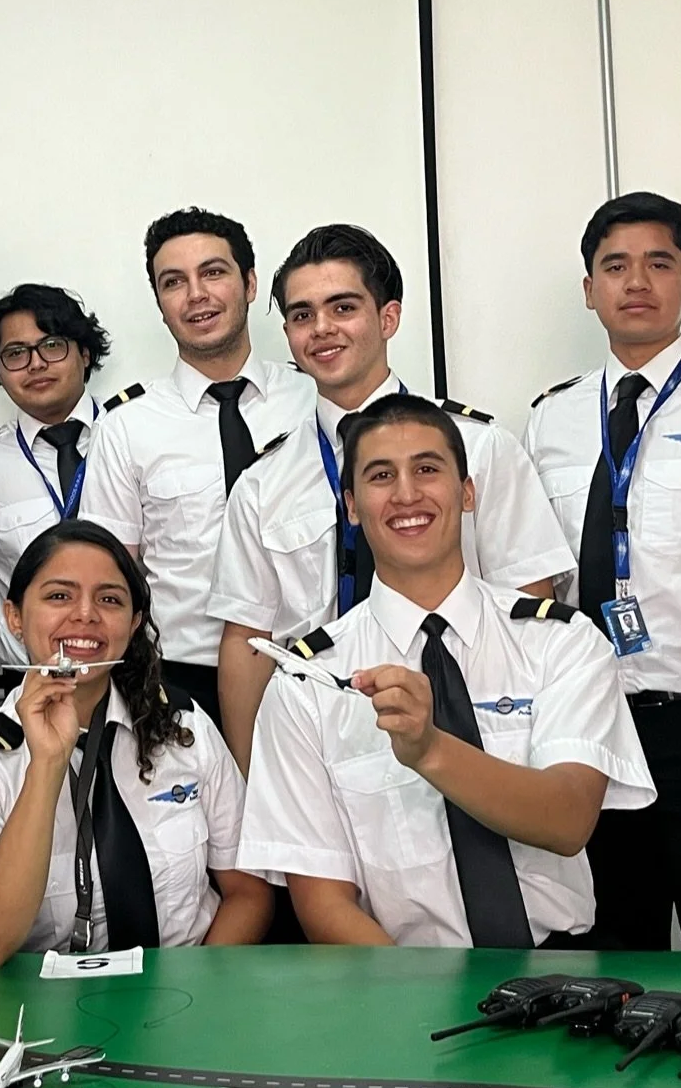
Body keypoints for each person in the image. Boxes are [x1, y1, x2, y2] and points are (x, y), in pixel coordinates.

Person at [238, 394, 654, 947]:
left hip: (561, 976)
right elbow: (323, 905)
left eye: (427, 469)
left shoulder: (560, 642)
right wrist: (422, 1006)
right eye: (381, 475)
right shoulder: (306, 685)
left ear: (467, 492)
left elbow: (569, 819)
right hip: (402, 986)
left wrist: (429, 749)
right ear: (352, 505)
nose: (407, 494)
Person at [522, 192, 681, 952]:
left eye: (658, 264)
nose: (635, 281)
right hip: (588, 724)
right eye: (614, 266)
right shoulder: (550, 416)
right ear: (588, 289)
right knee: (602, 949)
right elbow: (537, 579)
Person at [212, 224, 571, 768]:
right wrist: (245, 788)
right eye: (302, 315)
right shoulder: (264, 481)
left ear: (388, 318)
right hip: (321, 739)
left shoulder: (479, 446)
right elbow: (246, 643)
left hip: (468, 725)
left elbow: (529, 604)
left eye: (343, 307)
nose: (322, 329)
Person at [0, 520, 271, 964]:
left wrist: (195, 990)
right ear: (13, 616)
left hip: (188, 993)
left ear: (134, 622)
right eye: (59, 596)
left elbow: (249, 892)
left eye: (109, 599)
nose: (85, 614)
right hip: (45, 1013)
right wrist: (48, 763)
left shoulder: (183, 727)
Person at [81, 207, 316, 730]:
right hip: (184, 682)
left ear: (250, 283)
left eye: (213, 272)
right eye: (174, 282)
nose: (196, 295)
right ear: (160, 302)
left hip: (315, 669)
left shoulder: (314, 397)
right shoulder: (126, 426)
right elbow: (113, 573)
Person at [0, 284, 112, 691]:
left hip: (139, 670)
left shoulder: (134, 437)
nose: (36, 364)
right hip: (30, 682)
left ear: (84, 353)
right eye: (15, 353)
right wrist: (26, 623)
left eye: (52, 345)